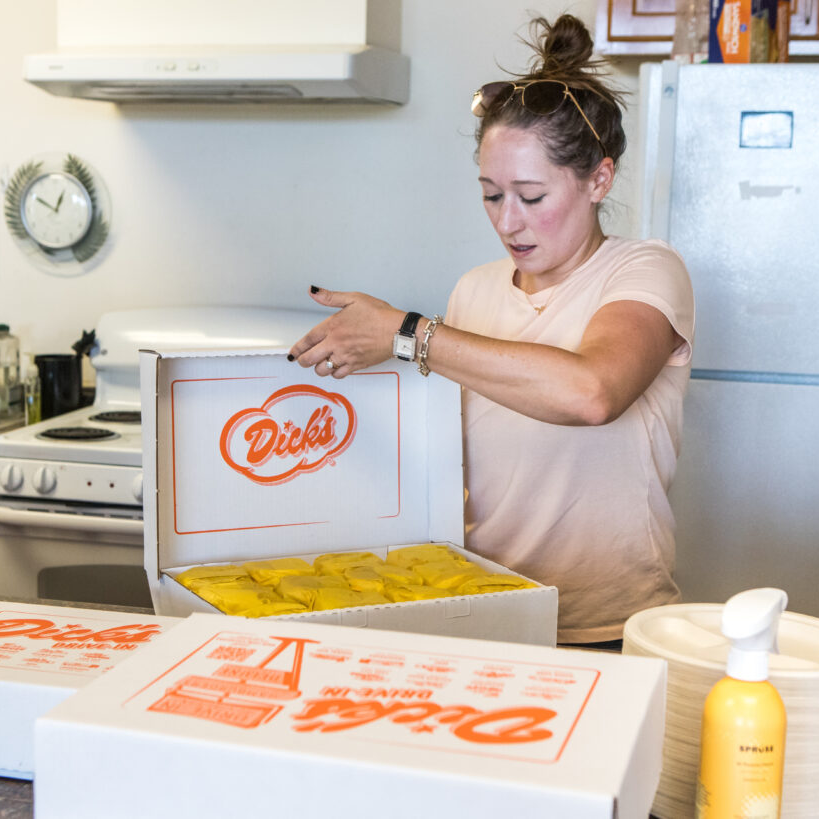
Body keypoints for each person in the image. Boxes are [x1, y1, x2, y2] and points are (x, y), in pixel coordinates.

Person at [287, 13, 695, 647]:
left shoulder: (645, 271)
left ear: (598, 179)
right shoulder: (474, 290)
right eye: (491, 194)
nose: (509, 222)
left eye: (531, 196)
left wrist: (407, 333)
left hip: (605, 625)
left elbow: (592, 394)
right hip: (481, 608)